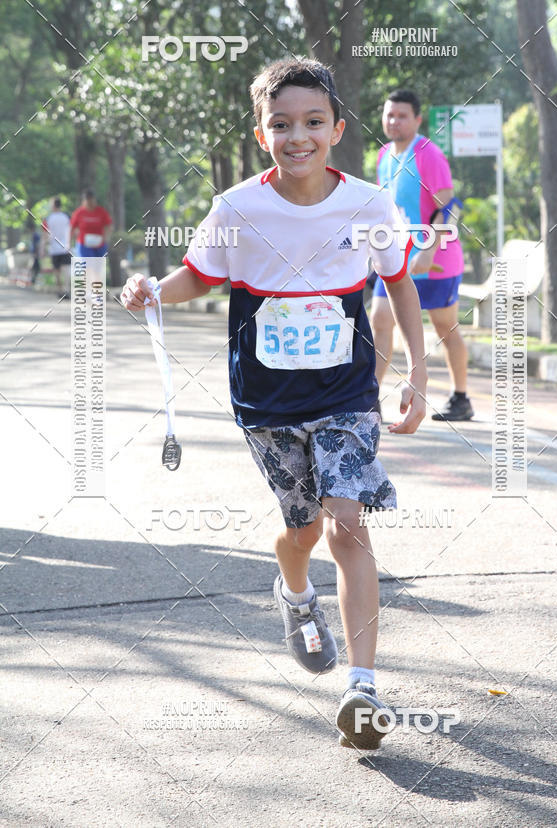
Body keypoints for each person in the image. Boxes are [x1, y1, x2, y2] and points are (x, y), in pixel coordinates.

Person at [121, 59, 428, 749]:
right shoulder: (238, 208)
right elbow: (199, 275)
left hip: (348, 392)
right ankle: (295, 594)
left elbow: (400, 285)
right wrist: (150, 289)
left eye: (313, 123)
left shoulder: (369, 204)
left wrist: (417, 371)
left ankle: (364, 688)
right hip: (267, 398)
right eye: (282, 124)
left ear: (337, 130)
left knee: (348, 525)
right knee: (303, 531)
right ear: (262, 135)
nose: (299, 136)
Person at [371, 89, 474, 422]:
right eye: (389, 115)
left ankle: (461, 398)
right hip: (396, 259)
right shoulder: (384, 154)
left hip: (436, 259)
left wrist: (428, 249)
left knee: (445, 328)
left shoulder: (427, 153)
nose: (394, 121)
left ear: (416, 119)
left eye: (402, 115)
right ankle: (368, 399)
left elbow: (450, 207)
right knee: (380, 321)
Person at [42, 197, 72, 299]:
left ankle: (60, 290)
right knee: (67, 270)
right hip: (66, 247)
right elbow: (72, 231)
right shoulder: (67, 217)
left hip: (54, 249)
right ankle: (66, 290)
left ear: (53, 205)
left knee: (57, 271)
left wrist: (43, 248)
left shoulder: (48, 219)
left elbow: (45, 235)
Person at [70, 189, 112, 257]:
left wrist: (106, 238)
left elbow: (108, 226)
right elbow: (72, 227)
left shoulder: (101, 211)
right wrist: (69, 243)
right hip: (84, 244)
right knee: (87, 265)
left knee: (98, 266)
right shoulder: (79, 213)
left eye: (92, 200)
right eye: (88, 200)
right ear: (84, 201)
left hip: (99, 244)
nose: (90, 202)